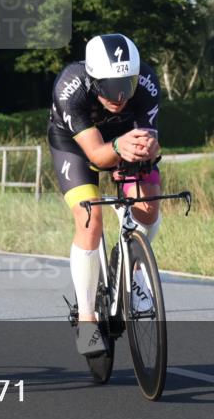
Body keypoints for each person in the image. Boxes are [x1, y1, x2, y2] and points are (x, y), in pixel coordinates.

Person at [48, 34, 162, 355]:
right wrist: (115, 149)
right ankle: (86, 320)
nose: (120, 96)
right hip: (77, 144)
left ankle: (135, 269)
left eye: (127, 85)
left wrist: (149, 147)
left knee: (148, 206)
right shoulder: (70, 87)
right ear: (93, 79)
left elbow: (151, 142)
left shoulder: (148, 83)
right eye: (110, 87)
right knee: (90, 219)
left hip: (123, 137)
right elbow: (98, 155)